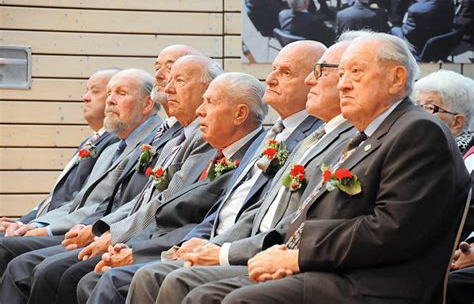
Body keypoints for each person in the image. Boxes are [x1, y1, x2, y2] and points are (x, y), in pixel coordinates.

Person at [182, 33, 470, 303]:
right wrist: (285, 252)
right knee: (203, 291)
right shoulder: (372, 133)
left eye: (356, 72)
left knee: (225, 298)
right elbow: (321, 213)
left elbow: (390, 229)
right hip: (337, 269)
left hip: (380, 285)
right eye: (342, 74)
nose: (343, 84)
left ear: (396, 79)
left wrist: (298, 257)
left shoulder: (418, 131)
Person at [79, 40, 327, 304]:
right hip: (197, 241)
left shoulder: (299, 138)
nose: (271, 79)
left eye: (285, 73)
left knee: (144, 278)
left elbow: (261, 215)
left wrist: (214, 250)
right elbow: (219, 212)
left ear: (240, 114)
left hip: (253, 250)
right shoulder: (271, 137)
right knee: (83, 274)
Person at [0, 68, 163, 302]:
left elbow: (115, 205)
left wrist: (50, 228)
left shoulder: (152, 144)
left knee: (32, 266)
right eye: (108, 93)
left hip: (113, 232)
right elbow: (76, 199)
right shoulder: (114, 147)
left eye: (120, 93)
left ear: (148, 104)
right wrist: (30, 222)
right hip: (87, 227)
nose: (110, 100)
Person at [0, 68, 120, 235]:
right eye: (86, 91)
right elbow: (55, 198)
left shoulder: (115, 142)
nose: (84, 97)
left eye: (94, 92)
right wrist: (21, 222)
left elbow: (81, 201)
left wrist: (36, 226)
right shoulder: (90, 141)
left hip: (67, 227)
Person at [413, 69, 474, 156]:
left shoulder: (463, 160)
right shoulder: (424, 150)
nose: (417, 113)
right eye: (417, 105)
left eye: (430, 108)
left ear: (457, 122)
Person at [390, 0, 455, 54]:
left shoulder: (415, 10)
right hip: (439, 45)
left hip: (416, 48)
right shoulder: (450, 4)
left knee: (395, 29)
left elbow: (407, 32)